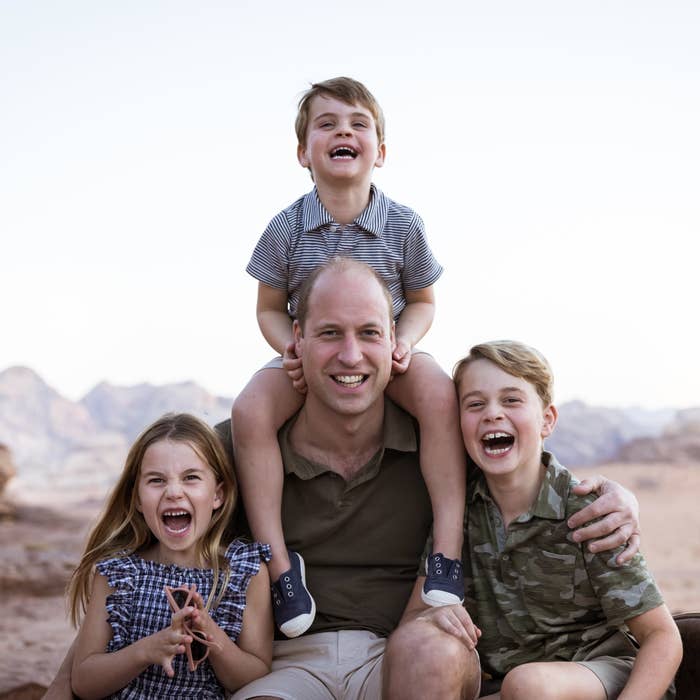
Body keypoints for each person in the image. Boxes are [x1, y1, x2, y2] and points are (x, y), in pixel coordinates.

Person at [43, 260, 643, 700]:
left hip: (405, 655)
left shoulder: (440, 445)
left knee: (432, 647)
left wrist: (621, 496)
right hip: (286, 665)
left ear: (396, 345)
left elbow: (523, 470)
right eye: (330, 333)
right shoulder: (242, 453)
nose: (350, 355)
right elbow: (137, 558)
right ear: (296, 341)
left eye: (369, 334)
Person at [231, 76, 467, 637]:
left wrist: (404, 340)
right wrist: (286, 346)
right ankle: (280, 568)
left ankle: (448, 552)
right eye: (328, 124)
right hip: (312, 356)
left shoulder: (403, 224)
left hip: (385, 353)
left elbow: (423, 300)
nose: (344, 132)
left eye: (359, 124)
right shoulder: (287, 226)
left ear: (379, 152)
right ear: (302, 152)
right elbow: (267, 307)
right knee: (249, 411)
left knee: (438, 393)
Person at [448, 340, 681, 699]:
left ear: (547, 420)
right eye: (475, 404)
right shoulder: (456, 510)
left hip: (604, 675)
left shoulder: (590, 513)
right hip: (509, 687)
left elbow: (662, 638)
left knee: (530, 684)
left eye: (511, 400)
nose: (492, 413)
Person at [66, 413, 273, 699]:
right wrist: (145, 651)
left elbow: (252, 676)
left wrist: (208, 632)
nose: (174, 492)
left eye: (191, 478)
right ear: (137, 499)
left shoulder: (243, 572)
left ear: (218, 494)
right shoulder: (119, 573)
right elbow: (84, 683)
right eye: (156, 480)